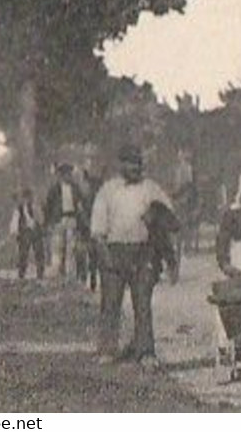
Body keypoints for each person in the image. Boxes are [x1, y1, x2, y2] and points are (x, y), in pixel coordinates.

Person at [89, 145, 174, 366]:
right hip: (114, 249)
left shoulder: (151, 188)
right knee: (110, 302)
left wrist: (156, 216)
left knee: (142, 303)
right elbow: (97, 229)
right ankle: (107, 349)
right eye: (130, 163)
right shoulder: (108, 190)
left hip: (143, 251)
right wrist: (105, 256)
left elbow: (171, 219)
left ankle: (146, 352)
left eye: (138, 163)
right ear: (121, 165)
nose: (135, 167)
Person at [43, 162, 86, 280]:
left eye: (69, 174)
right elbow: (48, 207)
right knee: (57, 247)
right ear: (61, 175)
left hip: (72, 219)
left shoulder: (76, 188)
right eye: (65, 174)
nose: (68, 176)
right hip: (59, 220)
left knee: (71, 248)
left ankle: (70, 275)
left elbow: (81, 204)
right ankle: (57, 274)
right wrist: (47, 223)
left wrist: (82, 220)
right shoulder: (54, 189)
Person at [8, 188, 45, 280]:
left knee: (39, 253)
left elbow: (41, 219)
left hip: (36, 232)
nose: (28, 199)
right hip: (24, 233)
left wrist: (40, 224)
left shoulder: (36, 207)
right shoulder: (19, 209)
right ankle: (21, 273)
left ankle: (40, 274)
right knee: (23, 254)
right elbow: (15, 221)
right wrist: (14, 232)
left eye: (30, 197)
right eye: (26, 197)